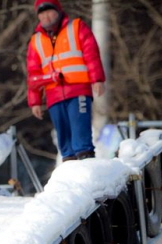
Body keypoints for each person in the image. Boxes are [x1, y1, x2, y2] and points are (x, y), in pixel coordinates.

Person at [26, 0, 106, 162]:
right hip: (53, 95)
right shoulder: (36, 40)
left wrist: (97, 79)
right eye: (41, 13)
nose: (45, 16)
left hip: (78, 90)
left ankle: (87, 164)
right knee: (64, 139)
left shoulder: (76, 27)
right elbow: (33, 72)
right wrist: (35, 101)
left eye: (49, 11)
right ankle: (69, 169)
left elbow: (91, 54)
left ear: (59, 10)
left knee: (80, 134)